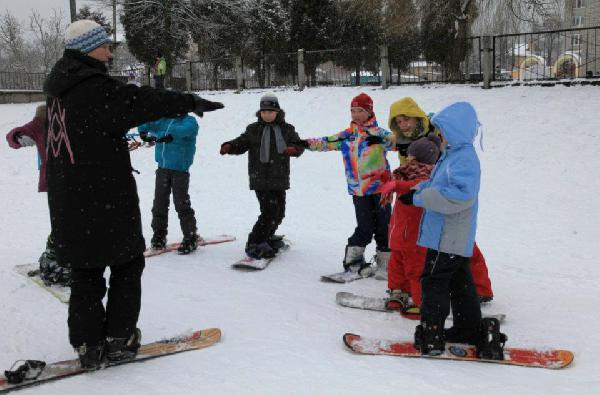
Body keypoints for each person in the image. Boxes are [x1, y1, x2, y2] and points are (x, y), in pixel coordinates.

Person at [43, 19, 224, 370]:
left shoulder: (56, 90)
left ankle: (87, 344)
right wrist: (190, 100)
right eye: (106, 45)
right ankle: (118, 338)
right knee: (126, 263)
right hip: (104, 193)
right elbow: (143, 100)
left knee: (86, 270)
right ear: (87, 48)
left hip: (69, 197)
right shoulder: (96, 88)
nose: (111, 51)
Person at [401, 102, 506, 359]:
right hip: (450, 236)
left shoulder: (464, 159)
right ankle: (467, 329)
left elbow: (459, 196)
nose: (439, 135)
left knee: (433, 282)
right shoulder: (452, 154)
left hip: (447, 236)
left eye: (443, 130)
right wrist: (417, 189)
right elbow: (437, 183)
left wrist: (420, 199)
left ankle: (433, 332)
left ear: (456, 130)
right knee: (460, 284)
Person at [386, 97, 494, 303]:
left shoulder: (439, 132)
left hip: (441, 194)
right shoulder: (401, 139)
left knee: (461, 245)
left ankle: (479, 289)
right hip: (421, 196)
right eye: (398, 122)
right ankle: (410, 288)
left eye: (406, 119)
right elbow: (385, 141)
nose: (403, 125)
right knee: (417, 247)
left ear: (417, 117)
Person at [301, 93, 393, 278]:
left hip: (381, 189)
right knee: (364, 227)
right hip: (358, 190)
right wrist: (304, 143)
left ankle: (386, 265)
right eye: (353, 110)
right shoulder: (347, 135)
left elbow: (398, 142)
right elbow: (326, 142)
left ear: (369, 111)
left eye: (360, 110)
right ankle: (353, 262)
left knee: (384, 226)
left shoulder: (379, 133)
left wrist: (383, 141)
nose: (356, 114)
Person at [220, 93, 304, 259]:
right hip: (260, 178)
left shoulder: (287, 129)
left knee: (279, 212)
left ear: (277, 112)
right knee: (269, 211)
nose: (267, 114)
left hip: (279, 178)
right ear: (260, 112)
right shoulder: (253, 129)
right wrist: (230, 146)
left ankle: (267, 236)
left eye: (270, 111)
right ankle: (255, 242)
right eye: (264, 111)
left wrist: (294, 149)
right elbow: (242, 142)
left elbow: (297, 143)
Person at [5, 105, 71, 286]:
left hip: (77, 180)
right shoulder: (40, 121)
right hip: (55, 181)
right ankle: (57, 258)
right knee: (61, 220)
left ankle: (65, 257)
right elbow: (13, 136)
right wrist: (18, 137)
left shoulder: (73, 117)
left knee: (73, 220)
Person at [138, 114, 200, 254]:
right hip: (162, 168)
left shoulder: (189, 121)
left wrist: (162, 135)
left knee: (181, 204)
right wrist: (143, 131)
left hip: (180, 169)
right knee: (159, 204)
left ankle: (190, 237)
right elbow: (148, 122)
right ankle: (159, 235)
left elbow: (182, 131)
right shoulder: (163, 120)